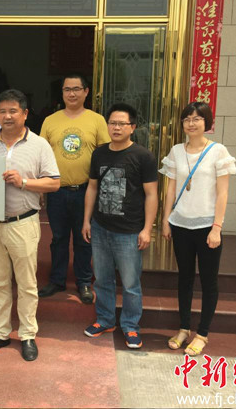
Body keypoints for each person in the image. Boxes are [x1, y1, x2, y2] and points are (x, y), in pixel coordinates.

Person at [0, 89, 60, 362]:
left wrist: (23, 182)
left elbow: (54, 183)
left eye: (13, 111)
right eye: (2, 111)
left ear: (24, 113)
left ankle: (27, 334)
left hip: (23, 221)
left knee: (26, 283)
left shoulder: (39, 145)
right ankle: (0, 332)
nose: (7, 116)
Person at [159, 102, 236, 356]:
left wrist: (217, 227)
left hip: (207, 226)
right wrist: (166, 219)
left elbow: (223, 193)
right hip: (180, 224)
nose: (191, 123)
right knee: (184, 278)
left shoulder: (218, 151)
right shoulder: (176, 151)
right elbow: (171, 188)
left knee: (208, 280)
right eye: (187, 119)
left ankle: (202, 334)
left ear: (207, 122)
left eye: (197, 118)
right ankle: (183, 328)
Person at [81, 103, 158, 349]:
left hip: (129, 231)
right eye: (112, 123)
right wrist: (87, 220)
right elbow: (92, 187)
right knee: (102, 279)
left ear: (132, 127)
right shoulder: (99, 154)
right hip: (101, 227)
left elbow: (151, 195)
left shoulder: (143, 156)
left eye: (121, 124)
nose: (116, 127)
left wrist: (147, 229)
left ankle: (131, 326)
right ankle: (105, 320)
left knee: (131, 283)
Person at [38, 74, 110, 304]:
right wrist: (41, 189)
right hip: (57, 191)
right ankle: (57, 280)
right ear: (62, 92)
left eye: (76, 89)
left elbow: (104, 155)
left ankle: (84, 282)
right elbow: (41, 155)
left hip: (86, 191)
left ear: (86, 92)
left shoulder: (97, 120)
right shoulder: (50, 121)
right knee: (58, 238)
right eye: (67, 89)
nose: (71, 93)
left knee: (84, 238)